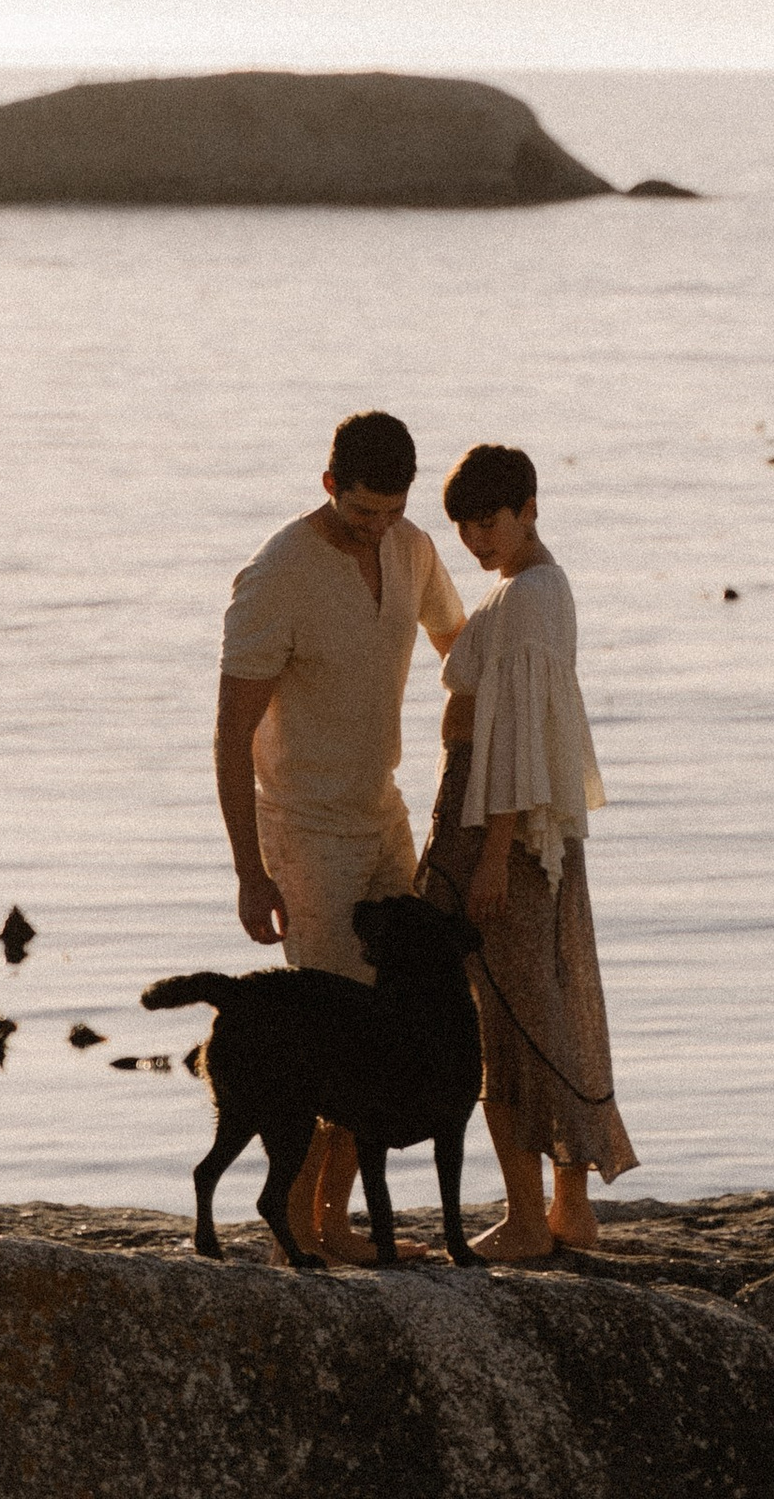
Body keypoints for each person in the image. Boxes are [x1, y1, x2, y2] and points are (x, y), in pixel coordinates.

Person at [214, 408, 465, 1262]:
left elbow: (457, 648)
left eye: (393, 512)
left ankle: (334, 1221)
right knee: (328, 1038)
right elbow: (230, 733)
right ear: (329, 487)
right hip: (307, 830)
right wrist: (251, 873)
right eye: (363, 514)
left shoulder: (413, 548)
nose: (378, 529)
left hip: (383, 814)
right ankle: (306, 1227)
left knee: (397, 1029)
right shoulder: (278, 573)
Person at [418, 440, 637, 1260]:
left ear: (529, 509)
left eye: (490, 523)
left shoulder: (530, 597)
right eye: (465, 528)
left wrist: (491, 852)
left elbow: (515, 738)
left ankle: (529, 1217)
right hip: (488, 819)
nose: (477, 541)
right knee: (532, 1007)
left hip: (495, 828)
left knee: (506, 1018)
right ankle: (562, 1212)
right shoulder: (524, 588)